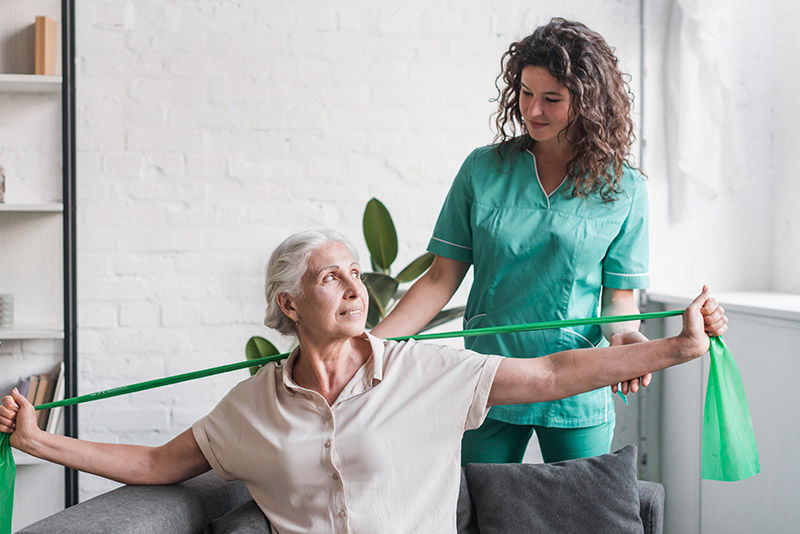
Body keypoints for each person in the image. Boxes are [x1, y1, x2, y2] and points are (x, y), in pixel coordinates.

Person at [1, 230, 726, 533]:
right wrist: (39, 441)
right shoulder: (251, 407)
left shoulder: (422, 370)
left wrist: (676, 347)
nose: (355, 287)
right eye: (331, 277)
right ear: (289, 305)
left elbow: (552, 371)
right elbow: (160, 464)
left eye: (356, 272)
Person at [371, 18, 652, 464]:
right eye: (525, 93)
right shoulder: (482, 170)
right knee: (481, 501)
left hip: (576, 381)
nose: (533, 110)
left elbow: (618, 298)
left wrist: (624, 336)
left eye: (552, 99)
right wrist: (368, 346)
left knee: (581, 501)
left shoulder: (623, 188)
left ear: (588, 102)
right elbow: (440, 279)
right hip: (490, 377)